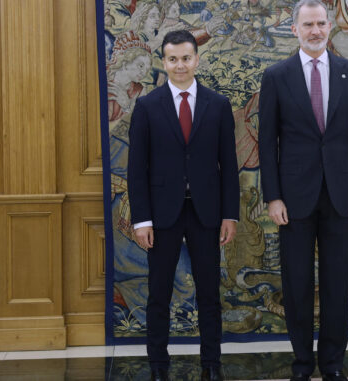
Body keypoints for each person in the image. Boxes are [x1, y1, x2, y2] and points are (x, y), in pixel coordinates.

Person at [257, 0, 348, 380]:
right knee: (297, 284)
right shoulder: (276, 75)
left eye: (322, 23)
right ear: (295, 29)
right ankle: (302, 364)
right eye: (308, 24)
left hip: (341, 196)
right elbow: (267, 141)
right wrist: (272, 196)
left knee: (337, 284)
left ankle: (333, 365)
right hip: (293, 198)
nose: (316, 30)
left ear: (330, 27)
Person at [128, 30, 239, 381]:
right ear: (164, 62)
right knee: (159, 294)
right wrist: (141, 219)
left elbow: (229, 166)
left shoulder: (218, 106)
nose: (180, 65)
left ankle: (211, 364)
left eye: (186, 58)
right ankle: (159, 366)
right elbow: (136, 169)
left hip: (206, 213)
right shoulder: (147, 106)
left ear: (197, 59)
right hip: (162, 215)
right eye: (173, 59)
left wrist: (229, 215)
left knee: (209, 294)